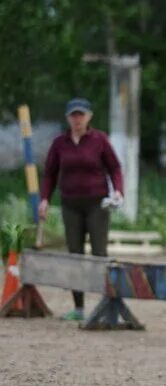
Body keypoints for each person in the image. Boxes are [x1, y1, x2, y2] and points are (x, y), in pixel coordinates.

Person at [39, 97, 124, 321]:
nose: (77, 120)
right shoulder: (60, 143)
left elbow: (115, 167)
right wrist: (44, 199)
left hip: (97, 203)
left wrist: (117, 191)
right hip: (70, 203)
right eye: (73, 115)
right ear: (67, 118)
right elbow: (49, 173)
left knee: (99, 254)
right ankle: (78, 308)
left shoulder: (99, 140)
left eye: (81, 115)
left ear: (89, 117)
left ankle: (107, 304)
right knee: (75, 254)